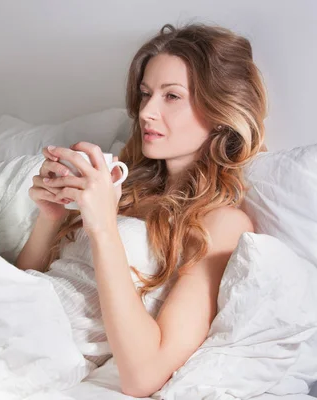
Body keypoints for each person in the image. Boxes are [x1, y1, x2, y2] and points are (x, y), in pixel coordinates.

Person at [15, 23, 267, 397]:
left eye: (172, 96)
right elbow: (30, 283)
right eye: (146, 94)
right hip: (13, 311)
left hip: (32, 345)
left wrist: (103, 227)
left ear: (220, 110)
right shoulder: (124, 187)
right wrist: (49, 217)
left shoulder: (224, 223)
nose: (146, 111)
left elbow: (144, 375)